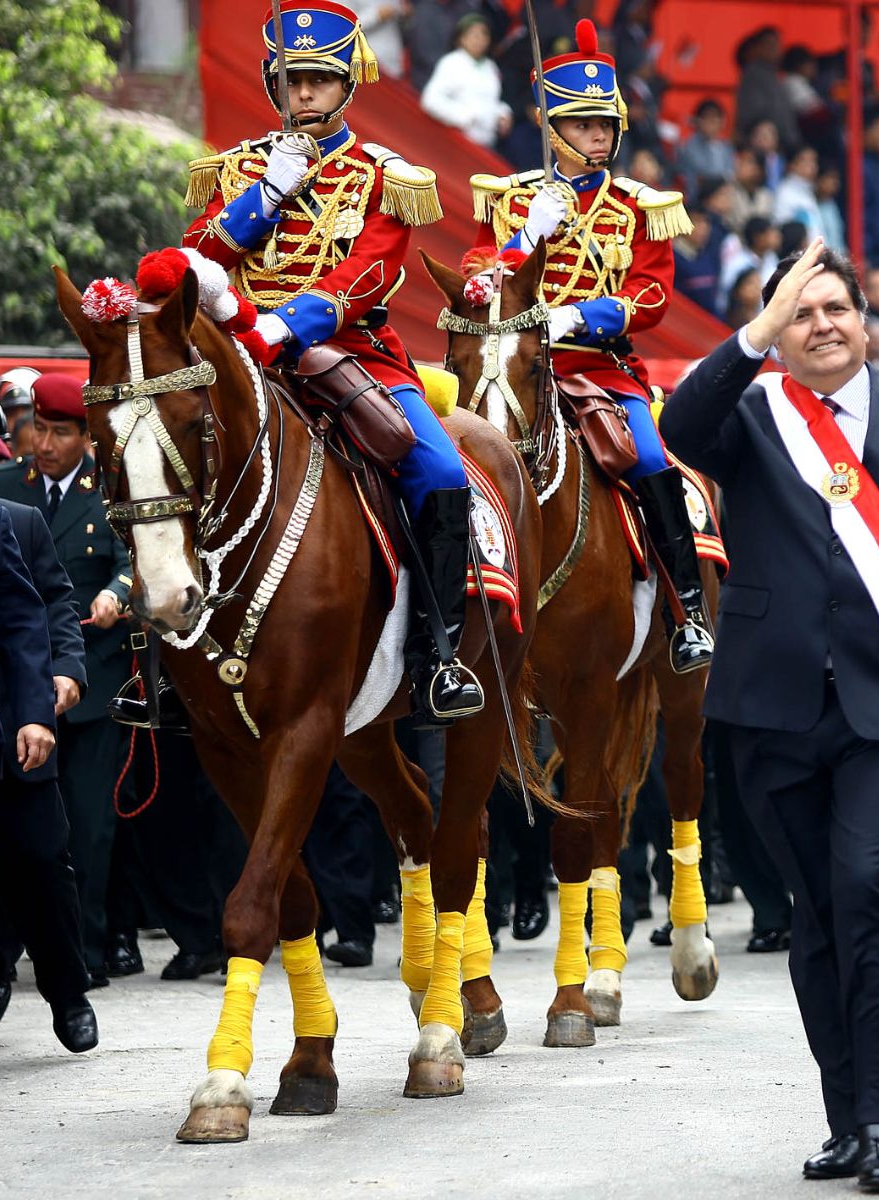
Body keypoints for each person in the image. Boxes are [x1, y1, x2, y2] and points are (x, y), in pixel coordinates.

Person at [659, 239, 879, 1192]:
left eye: (834, 310)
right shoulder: (750, 408)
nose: (820, 326)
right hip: (771, 711)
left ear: (866, 321)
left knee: (868, 894)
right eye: (800, 314)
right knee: (816, 916)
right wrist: (754, 331)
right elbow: (677, 428)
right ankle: (847, 1115)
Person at [180, 0, 482, 726]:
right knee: (158, 454)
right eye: (292, 80)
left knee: (439, 471)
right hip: (236, 350)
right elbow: (199, 258)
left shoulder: (384, 174)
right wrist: (268, 192)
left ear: (349, 84)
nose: (304, 93)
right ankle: (159, 654)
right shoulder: (239, 169)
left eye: (319, 79)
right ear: (272, 83)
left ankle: (437, 655)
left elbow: (370, 274)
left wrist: (286, 325)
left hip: (350, 353)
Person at [473, 18, 712, 672]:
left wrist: (580, 318)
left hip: (601, 370)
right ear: (552, 128)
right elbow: (475, 281)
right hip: (516, 368)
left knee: (653, 460)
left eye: (604, 124)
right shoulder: (508, 199)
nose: (597, 136)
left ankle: (687, 610)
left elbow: (653, 296)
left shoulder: (640, 207)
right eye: (582, 125)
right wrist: (524, 236)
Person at [0, 375, 133, 985]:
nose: (43, 443)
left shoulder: (114, 491)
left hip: (92, 679)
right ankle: (3, 956)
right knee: (17, 830)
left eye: (61, 431)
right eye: (38, 428)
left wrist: (116, 593)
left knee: (87, 824)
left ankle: (88, 951)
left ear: (87, 437)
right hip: (12, 687)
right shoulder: (2, 488)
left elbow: (137, 556)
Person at [0, 494, 94, 1051]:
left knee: (40, 862)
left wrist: (63, 678)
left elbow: (42, 613)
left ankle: (68, 992)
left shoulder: (12, 521)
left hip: (11, 727)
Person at [418, 13, 512, 148]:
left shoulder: (490, 67)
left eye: (484, 35)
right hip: (457, 141)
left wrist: (502, 113)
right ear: (461, 38)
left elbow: (490, 101)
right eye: (474, 35)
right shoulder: (451, 62)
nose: (479, 40)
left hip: (486, 143)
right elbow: (430, 100)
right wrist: (466, 117)